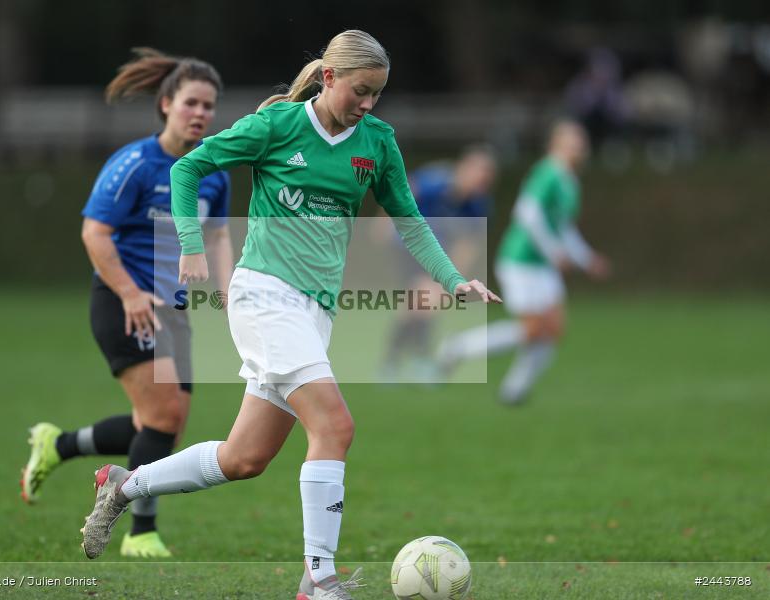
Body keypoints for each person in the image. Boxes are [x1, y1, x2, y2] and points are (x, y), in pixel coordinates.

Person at [78, 30, 499, 600]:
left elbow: (409, 220)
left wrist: (453, 280)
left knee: (244, 457)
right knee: (335, 426)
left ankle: (126, 484)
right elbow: (187, 171)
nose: (369, 104)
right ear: (328, 78)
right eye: (360, 90)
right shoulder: (277, 126)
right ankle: (318, 580)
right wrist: (192, 244)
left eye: (377, 94)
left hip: (315, 312)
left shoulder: (378, 143)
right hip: (264, 298)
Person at [20, 48, 233, 558]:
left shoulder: (215, 172)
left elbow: (220, 235)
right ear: (165, 105)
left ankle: (61, 445)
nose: (201, 113)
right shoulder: (135, 163)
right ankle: (141, 532)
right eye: (191, 104)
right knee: (161, 419)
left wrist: (227, 294)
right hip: (125, 303)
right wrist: (131, 292)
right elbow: (95, 233)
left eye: (208, 105)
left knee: (164, 425)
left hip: (174, 310)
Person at [437, 120, 609, 404]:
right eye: (571, 142)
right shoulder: (548, 173)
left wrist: (586, 259)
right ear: (555, 145)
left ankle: (515, 390)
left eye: (581, 142)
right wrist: (554, 251)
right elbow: (527, 213)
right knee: (532, 329)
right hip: (521, 260)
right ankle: (458, 348)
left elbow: (563, 227)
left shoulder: (569, 182)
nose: (578, 148)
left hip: (542, 265)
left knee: (553, 328)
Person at [379, 147, 497, 382]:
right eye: (479, 176)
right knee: (423, 301)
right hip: (406, 244)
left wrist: (454, 278)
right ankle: (411, 361)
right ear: (465, 168)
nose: (481, 184)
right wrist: (383, 221)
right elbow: (402, 191)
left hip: (435, 254)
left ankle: (394, 362)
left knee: (419, 305)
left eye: (487, 181)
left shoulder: (477, 205)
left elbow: (468, 244)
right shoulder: (436, 182)